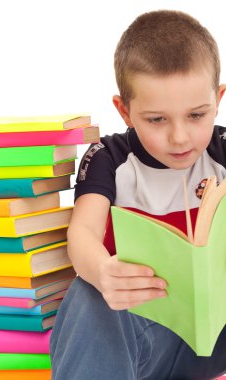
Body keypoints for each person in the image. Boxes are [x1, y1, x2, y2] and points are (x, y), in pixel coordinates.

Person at [50, 9, 226, 379]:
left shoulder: (223, 149)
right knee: (90, 293)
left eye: (196, 115)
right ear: (125, 111)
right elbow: (82, 234)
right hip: (150, 337)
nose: (180, 137)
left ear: (219, 99)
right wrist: (102, 271)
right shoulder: (109, 158)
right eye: (157, 119)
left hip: (219, 332)